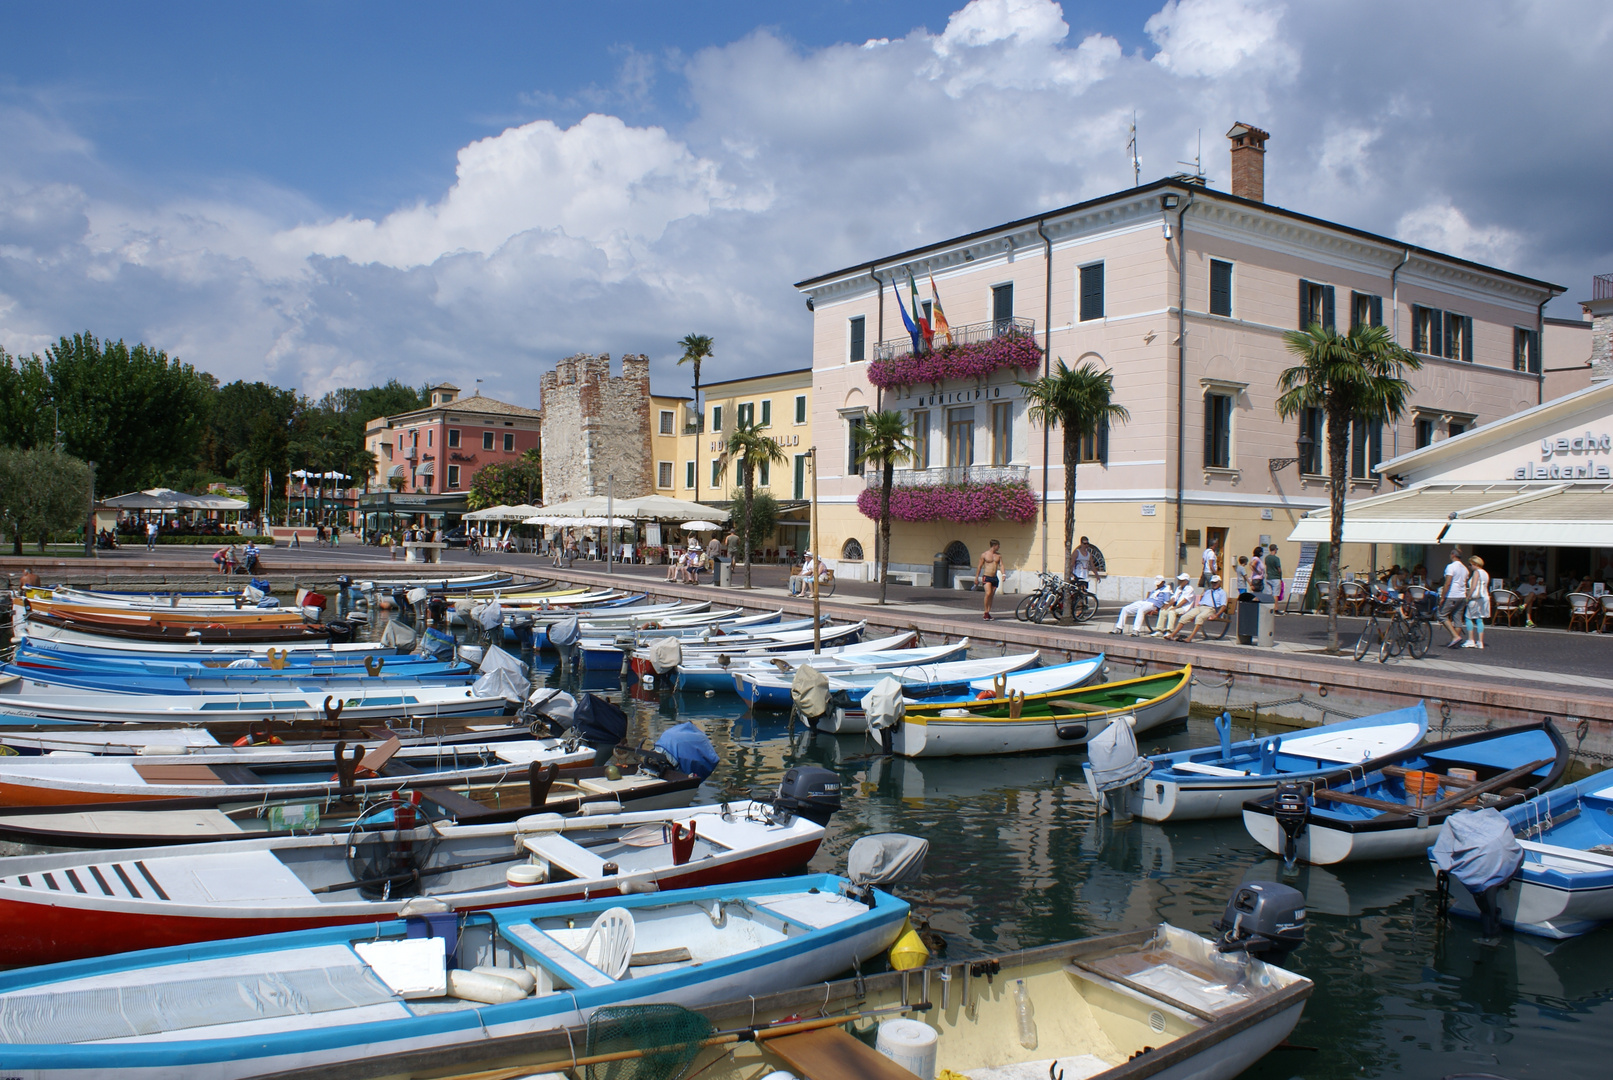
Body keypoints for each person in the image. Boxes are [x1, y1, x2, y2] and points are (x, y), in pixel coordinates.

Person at [1171, 575, 1229, 642]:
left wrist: (1217, 614)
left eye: (1215, 582)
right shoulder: (1208, 591)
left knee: (1199, 617)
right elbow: (1202, 600)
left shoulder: (1222, 592)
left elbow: (1224, 606)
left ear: (1219, 582)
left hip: (1210, 608)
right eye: (1212, 582)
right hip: (1200, 607)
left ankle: (1190, 638)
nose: (1214, 584)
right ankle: (1172, 635)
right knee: (1185, 617)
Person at [1438, 548, 1470, 647]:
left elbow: (1447, 583)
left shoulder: (1450, 567)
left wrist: (1443, 597)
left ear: (1453, 555)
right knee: (1457, 618)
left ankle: (1455, 636)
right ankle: (1455, 641)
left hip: (1452, 595)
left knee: (1441, 615)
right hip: (1462, 595)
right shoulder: (1465, 569)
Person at [1152, 573, 1197, 637]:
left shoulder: (1190, 589)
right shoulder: (1179, 588)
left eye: (1182, 580)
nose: (1180, 582)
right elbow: (1174, 598)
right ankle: (1159, 630)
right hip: (1177, 607)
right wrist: (1168, 606)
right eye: (1179, 580)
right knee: (1163, 611)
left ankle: (1170, 630)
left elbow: (1185, 600)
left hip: (1184, 608)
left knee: (1172, 612)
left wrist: (1176, 607)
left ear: (1186, 581)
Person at [1464, 555, 1491, 649]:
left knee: (1468, 617)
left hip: (1475, 598)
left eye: (1470, 564)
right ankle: (1480, 641)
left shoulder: (1476, 572)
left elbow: (1474, 586)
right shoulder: (1485, 573)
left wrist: (1468, 597)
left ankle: (1471, 639)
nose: (1469, 566)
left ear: (1475, 564)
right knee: (1479, 619)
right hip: (1483, 598)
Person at [976, 539, 1004, 620]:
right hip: (987, 577)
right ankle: (985, 612)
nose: (999, 547)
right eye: (998, 546)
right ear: (994, 546)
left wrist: (1004, 574)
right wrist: (976, 577)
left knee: (991, 595)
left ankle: (988, 612)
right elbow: (979, 566)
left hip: (994, 577)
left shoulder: (998, 556)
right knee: (988, 593)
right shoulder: (984, 555)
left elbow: (1001, 565)